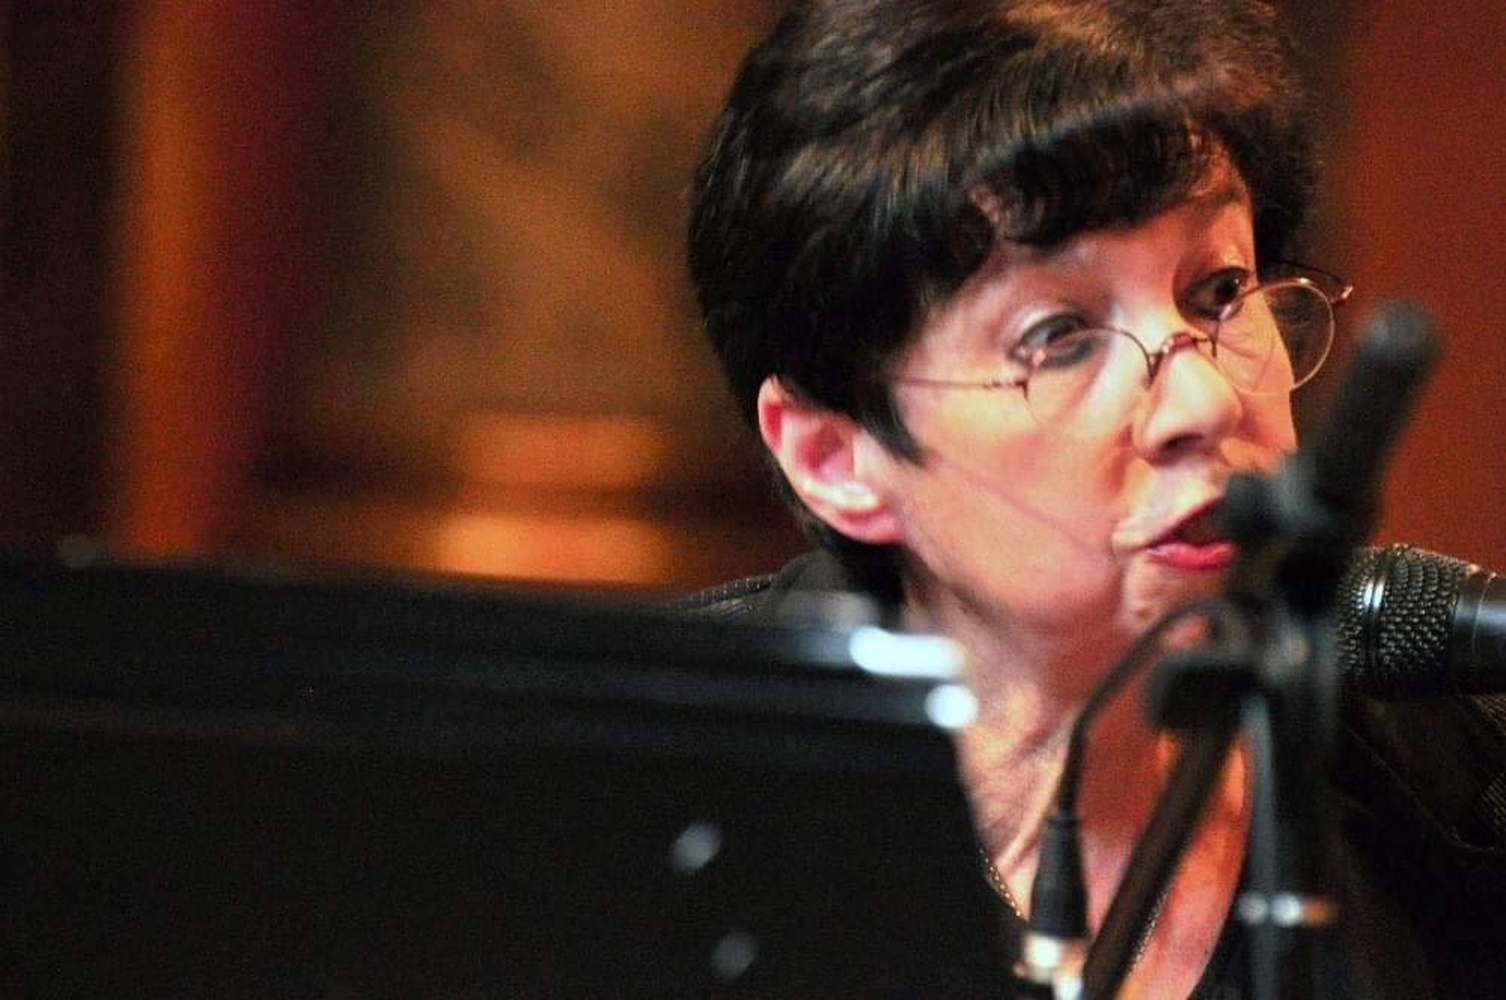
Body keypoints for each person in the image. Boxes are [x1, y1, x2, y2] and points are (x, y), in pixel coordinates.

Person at [683, 1, 1506, 995]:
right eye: (1060, 335)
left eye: (1220, 292)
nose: (1203, 399)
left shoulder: (1457, 781)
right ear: (835, 458)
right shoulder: (650, 793)